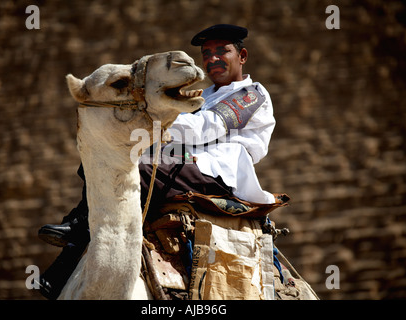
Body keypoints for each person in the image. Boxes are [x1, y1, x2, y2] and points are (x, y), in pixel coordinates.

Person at [37, 24, 279, 299]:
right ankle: (71, 247)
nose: (212, 58)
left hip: (219, 170)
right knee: (106, 162)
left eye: (222, 51)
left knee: (137, 168)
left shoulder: (251, 94)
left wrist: (156, 115)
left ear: (242, 56)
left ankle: (78, 228)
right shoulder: (206, 95)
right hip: (186, 161)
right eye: (206, 53)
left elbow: (206, 128)